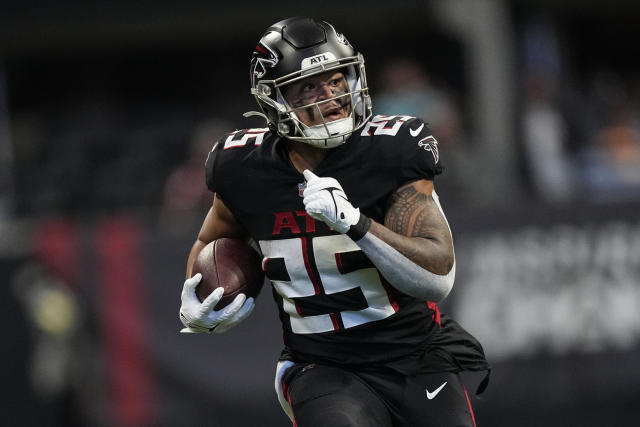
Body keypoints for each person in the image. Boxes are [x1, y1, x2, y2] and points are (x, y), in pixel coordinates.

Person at [178, 17, 489, 427]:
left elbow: (438, 278)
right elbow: (210, 242)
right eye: (308, 86)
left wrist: (355, 222)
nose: (331, 95)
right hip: (320, 365)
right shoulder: (243, 166)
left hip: (417, 355)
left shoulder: (391, 150)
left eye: (337, 80)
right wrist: (196, 303)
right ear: (274, 98)